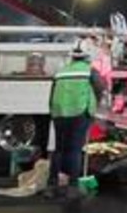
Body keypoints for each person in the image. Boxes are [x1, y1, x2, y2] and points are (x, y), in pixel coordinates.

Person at [45, 43, 105, 199]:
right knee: (74, 150)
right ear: (87, 58)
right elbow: (100, 89)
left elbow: (52, 93)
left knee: (58, 150)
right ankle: (72, 186)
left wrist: (53, 111)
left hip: (59, 113)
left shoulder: (61, 72)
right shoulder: (89, 71)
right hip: (79, 112)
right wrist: (94, 107)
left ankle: (51, 186)